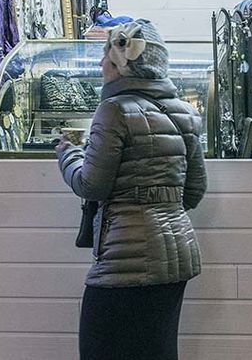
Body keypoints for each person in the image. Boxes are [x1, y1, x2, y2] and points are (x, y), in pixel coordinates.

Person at [56, 20, 206, 360]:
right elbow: (195, 190)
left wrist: (69, 154)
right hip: (177, 258)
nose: (99, 64)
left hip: (125, 259)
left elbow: (91, 184)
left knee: (99, 351)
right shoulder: (184, 112)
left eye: (105, 55)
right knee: (157, 352)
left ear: (122, 63)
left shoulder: (114, 111)